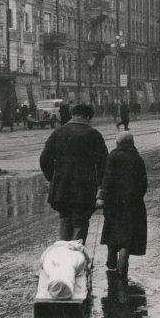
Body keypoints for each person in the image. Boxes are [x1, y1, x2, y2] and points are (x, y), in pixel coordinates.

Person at [39, 103, 108, 244]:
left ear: (72, 115)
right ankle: (75, 255)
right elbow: (104, 164)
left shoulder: (58, 132)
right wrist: (101, 188)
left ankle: (64, 256)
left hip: (61, 189)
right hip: (84, 189)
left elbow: (44, 158)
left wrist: (53, 178)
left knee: (64, 218)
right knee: (80, 222)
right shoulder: (93, 134)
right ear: (88, 117)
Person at [96, 131, 148, 281]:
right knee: (128, 232)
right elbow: (143, 182)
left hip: (113, 202)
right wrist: (137, 197)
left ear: (118, 143)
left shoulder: (112, 156)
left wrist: (102, 196)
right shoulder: (137, 158)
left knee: (112, 227)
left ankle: (111, 258)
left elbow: (107, 178)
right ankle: (124, 257)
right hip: (132, 202)